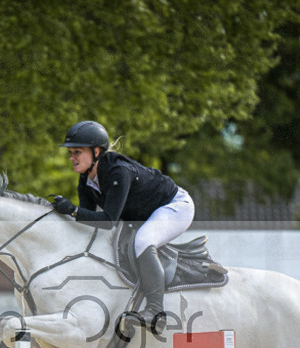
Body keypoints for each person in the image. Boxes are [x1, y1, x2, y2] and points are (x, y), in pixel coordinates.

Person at [52, 120, 197, 325]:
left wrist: (73, 211)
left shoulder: (118, 172)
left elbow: (108, 221)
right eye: (71, 152)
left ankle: (156, 312)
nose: (71, 157)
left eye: (77, 152)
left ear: (95, 151)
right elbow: (88, 222)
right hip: (147, 213)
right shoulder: (85, 180)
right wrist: (66, 215)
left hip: (175, 207)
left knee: (143, 240)